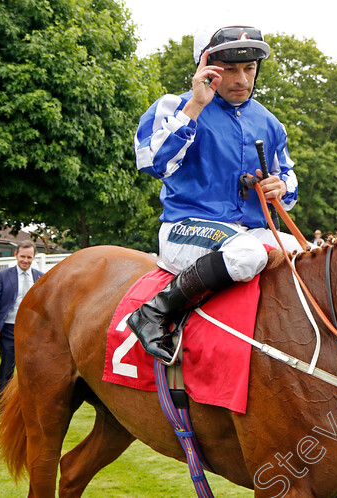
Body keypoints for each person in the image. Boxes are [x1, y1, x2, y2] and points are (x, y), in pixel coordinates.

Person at [130, 25, 304, 363]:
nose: (242, 79)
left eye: (249, 68)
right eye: (230, 69)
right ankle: (153, 312)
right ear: (206, 68)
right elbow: (152, 163)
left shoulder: (270, 123)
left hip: (249, 230)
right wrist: (195, 106)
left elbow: (289, 178)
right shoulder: (173, 105)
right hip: (186, 227)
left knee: (308, 254)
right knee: (248, 255)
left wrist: (280, 186)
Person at [0, 241, 45, 395]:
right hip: (8, 328)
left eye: (29, 257)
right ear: (16, 255)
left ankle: (29, 406)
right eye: (22, 256)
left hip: (33, 330)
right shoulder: (3, 276)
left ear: (34, 258)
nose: (25, 260)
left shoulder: (40, 277)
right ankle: (4, 407)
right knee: (8, 367)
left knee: (33, 369)